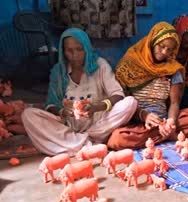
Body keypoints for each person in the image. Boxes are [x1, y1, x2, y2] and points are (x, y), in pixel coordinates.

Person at [21, 28, 137, 156]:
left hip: (98, 124)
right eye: (69, 50)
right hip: (68, 124)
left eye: (79, 49)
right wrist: (63, 111)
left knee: (130, 103)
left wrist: (97, 107)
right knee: (28, 115)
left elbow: (118, 94)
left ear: (86, 48)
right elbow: (50, 104)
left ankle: (75, 143)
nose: (74, 55)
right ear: (63, 51)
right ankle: (88, 144)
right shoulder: (58, 71)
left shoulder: (100, 65)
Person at [110, 22, 185, 149]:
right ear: (152, 40)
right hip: (137, 121)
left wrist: (171, 121)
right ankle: (163, 135)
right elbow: (123, 101)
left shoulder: (173, 69)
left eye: (169, 49)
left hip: (164, 120)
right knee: (117, 139)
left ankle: (164, 132)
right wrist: (144, 116)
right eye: (161, 46)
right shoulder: (130, 63)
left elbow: (174, 103)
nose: (164, 52)